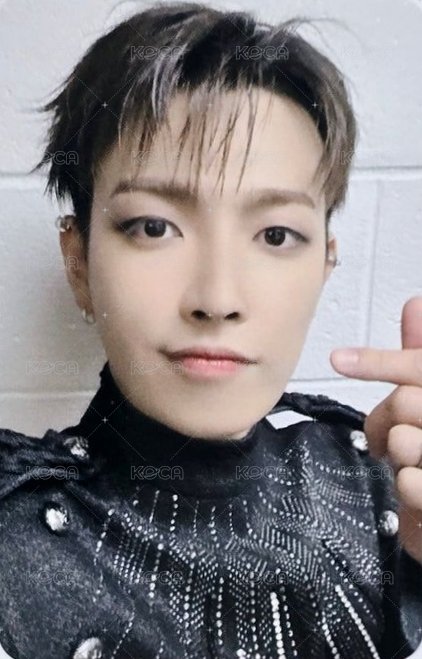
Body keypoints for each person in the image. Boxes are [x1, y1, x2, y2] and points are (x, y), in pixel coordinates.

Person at [1, 2, 421, 657]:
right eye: (153, 227)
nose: (218, 299)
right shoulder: (15, 523)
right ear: (78, 262)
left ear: (325, 265)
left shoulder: (387, 489)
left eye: (275, 235)